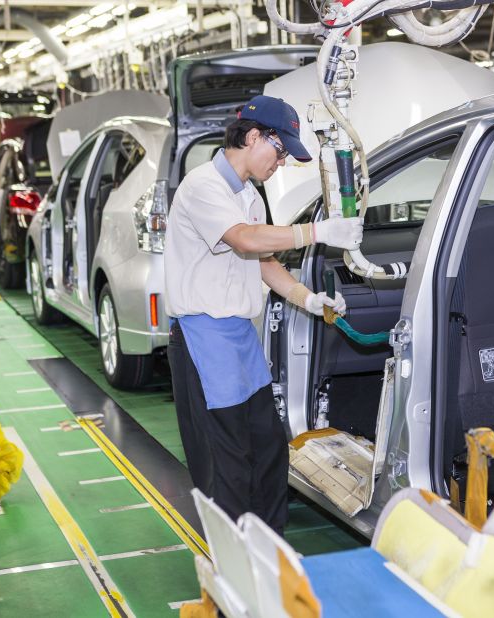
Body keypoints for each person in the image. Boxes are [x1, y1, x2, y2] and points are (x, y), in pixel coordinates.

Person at [165, 95, 363, 532]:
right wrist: (317, 232)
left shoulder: (250, 196)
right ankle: (233, 574)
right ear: (253, 136)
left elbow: (264, 261)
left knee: (269, 450)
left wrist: (307, 298)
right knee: (228, 462)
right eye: (280, 151)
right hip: (203, 339)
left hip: (239, 337)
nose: (282, 163)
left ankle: (269, 551)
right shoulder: (203, 187)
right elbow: (245, 240)